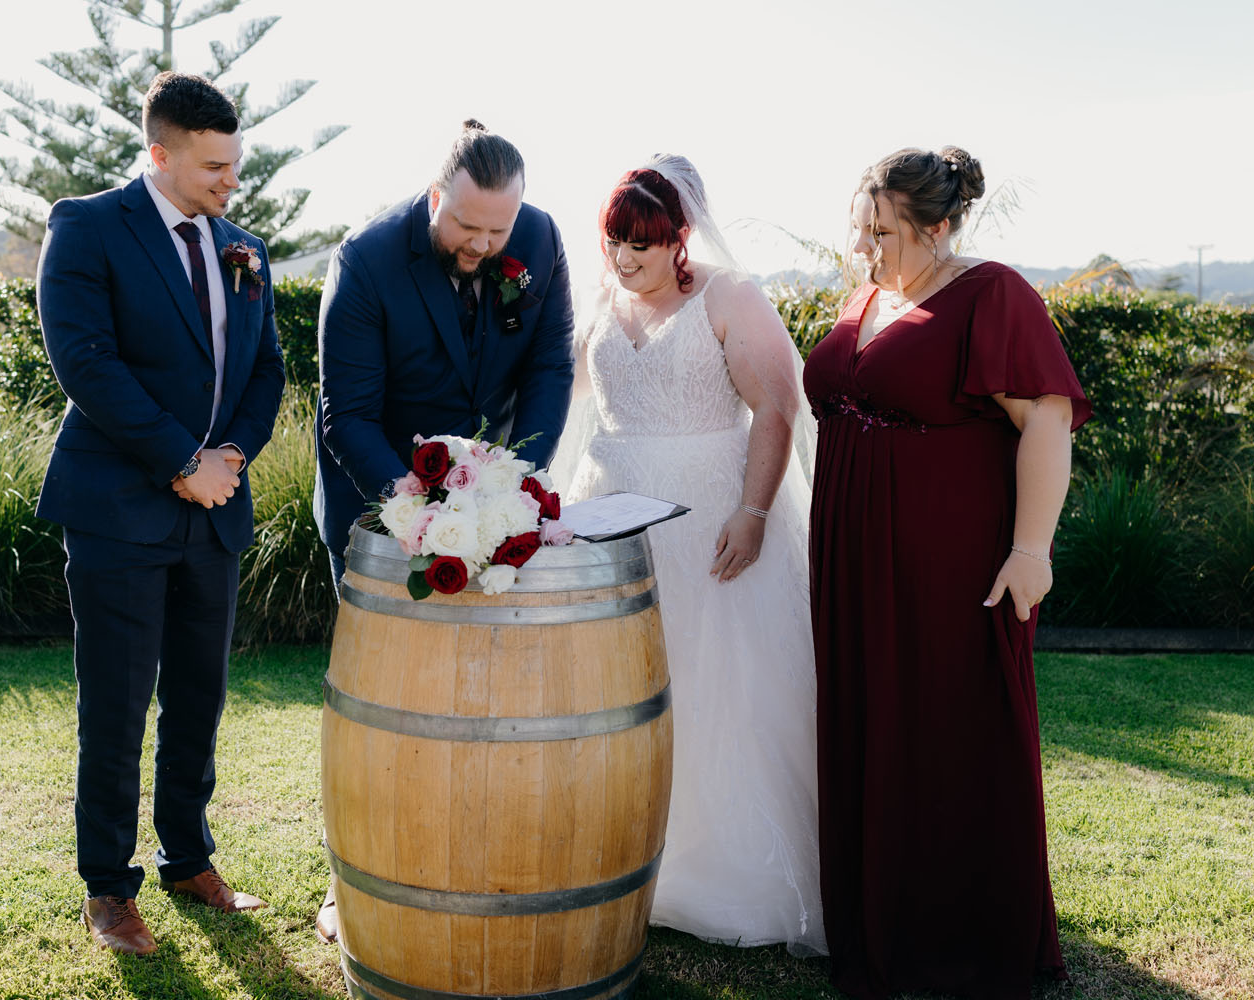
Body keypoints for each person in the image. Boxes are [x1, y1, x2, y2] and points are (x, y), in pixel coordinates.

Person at [803, 146, 1091, 999]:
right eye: (862, 228)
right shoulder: (871, 293)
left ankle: (960, 935)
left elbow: (1044, 418)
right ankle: (875, 920)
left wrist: (1030, 550)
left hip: (946, 552)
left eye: (884, 231)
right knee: (870, 718)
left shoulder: (989, 292)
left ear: (937, 225)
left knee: (948, 725)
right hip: (854, 548)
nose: (866, 245)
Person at [36, 71, 285, 956]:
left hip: (214, 511)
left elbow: (266, 372)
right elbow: (84, 361)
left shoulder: (245, 247)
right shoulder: (89, 226)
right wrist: (180, 459)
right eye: (214, 166)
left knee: (198, 698)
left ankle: (189, 858)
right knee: (116, 705)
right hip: (116, 510)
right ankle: (107, 889)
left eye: (234, 165)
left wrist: (227, 461)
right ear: (160, 153)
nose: (229, 182)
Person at [310, 120, 575, 940]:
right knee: (385, 711)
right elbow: (345, 413)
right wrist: (414, 509)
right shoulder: (367, 258)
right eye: (466, 226)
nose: (484, 244)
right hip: (380, 499)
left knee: (484, 705)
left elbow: (550, 364)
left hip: (493, 501)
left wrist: (516, 480)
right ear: (436, 198)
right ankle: (352, 879)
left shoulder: (536, 240)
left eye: (498, 229)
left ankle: (477, 863)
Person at [556, 155, 826, 952]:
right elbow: (564, 391)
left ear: (680, 237)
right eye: (614, 240)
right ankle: (616, 853)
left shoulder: (727, 296)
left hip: (711, 517)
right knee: (618, 682)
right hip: (610, 510)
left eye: (642, 242)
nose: (625, 258)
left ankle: (716, 873)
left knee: (717, 686)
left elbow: (776, 405)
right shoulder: (601, 298)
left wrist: (752, 512)